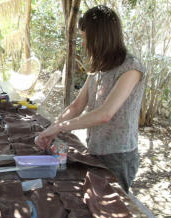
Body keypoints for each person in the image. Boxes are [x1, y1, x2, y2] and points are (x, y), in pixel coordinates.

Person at [35, 5, 145, 193]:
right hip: (95, 149)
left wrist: (61, 127)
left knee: (112, 206)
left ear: (99, 37)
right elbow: (77, 105)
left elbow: (105, 114)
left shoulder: (131, 68)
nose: (84, 44)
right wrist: (52, 129)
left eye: (85, 38)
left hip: (119, 156)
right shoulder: (100, 66)